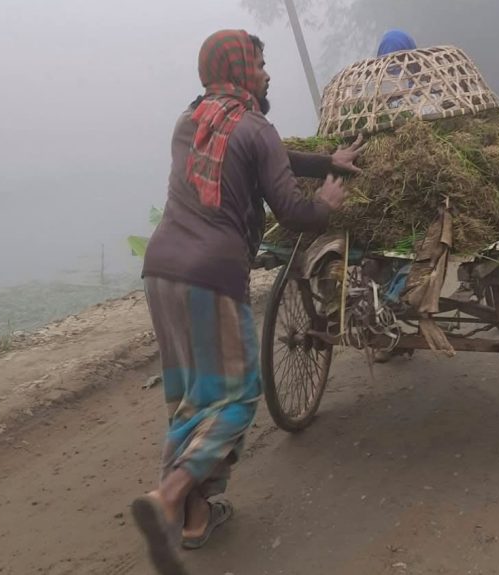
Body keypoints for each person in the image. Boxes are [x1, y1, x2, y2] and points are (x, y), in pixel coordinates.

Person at [131, 29, 363, 575]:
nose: (266, 73)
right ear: (238, 71)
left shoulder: (190, 121)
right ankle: (167, 498)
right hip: (211, 276)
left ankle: (194, 518)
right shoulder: (256, 128)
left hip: (160, 271)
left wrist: (326, 157)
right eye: (259, 64)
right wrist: (326, 198)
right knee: (236, 397)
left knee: (191, 394)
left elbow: (266, 154)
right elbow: (295, 211)